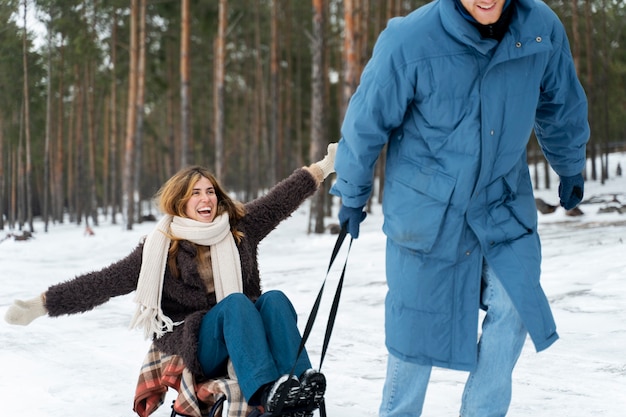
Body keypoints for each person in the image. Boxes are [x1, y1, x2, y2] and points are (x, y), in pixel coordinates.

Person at [330, 0, 589, 415]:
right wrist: (352, 192)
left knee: (516, 304)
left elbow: (561, 103)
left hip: (502, 203)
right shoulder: (409, 39)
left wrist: (570, 163)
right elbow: (366, 122)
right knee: (414, 334)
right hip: (428, 213)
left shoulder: (541, 28)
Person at [5, 143, 337, 417]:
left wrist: (325, 165)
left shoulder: (239, 228)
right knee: (235, 304)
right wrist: (41, 305)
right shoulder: (160, 248)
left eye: (210, 192)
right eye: (196, 193)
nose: (206, 199)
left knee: (274, 299)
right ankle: (266, 392)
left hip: (245, 332)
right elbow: (101, 283)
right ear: (180, 202)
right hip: (200, 346)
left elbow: (282, 199)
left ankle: (301, 383)